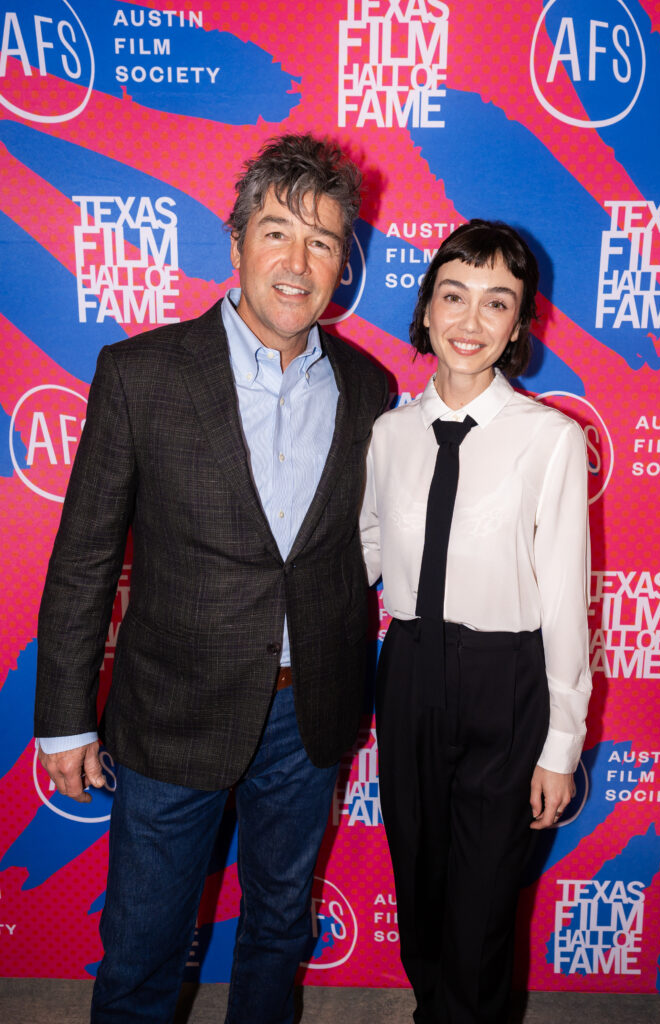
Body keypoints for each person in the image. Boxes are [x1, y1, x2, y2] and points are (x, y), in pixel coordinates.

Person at [35, 133, 387, 1024]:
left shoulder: (371, 389)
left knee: (276, 929)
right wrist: (64, 720)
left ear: (344, 260)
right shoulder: (139, 374)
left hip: (305, 716)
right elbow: (84, 557)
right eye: (277, 232)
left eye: (322, 239)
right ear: (235, 244)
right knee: (144, 951)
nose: (297, 262)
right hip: (170, 715)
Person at [360, 220, 591, 1024]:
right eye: (453, 296)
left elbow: (564, 597)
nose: (470, 319)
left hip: (506, 681)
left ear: (519, 326)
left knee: (484, 902)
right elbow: (368, 543)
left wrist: (560, 746)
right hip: (411, 668)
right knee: (419, 886)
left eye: (497, 303)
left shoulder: (549, 440)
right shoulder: (388, 434)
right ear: (424, 310)